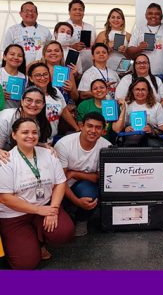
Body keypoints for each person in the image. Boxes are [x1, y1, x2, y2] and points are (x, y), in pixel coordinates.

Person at [0, 118, 74, 269]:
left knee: (64, 232)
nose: (30, 136)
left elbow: (60, 183)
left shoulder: (49, 154)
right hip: (15, 215)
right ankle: (23, 241)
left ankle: (38, 238)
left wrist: (53, 210)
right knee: (26, 264)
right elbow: (4, 198)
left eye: (34, 132)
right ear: (14, 135)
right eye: (25, 132)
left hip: (45, 206)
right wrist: (39, 210)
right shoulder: (6, 160)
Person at [54, 112, 110, 237]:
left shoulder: (106, 146)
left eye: (98, 127)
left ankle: (82, 220)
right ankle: (68, 210)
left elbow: (101, 178)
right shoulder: (64, 145)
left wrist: (74, 173)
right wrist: (76, 201)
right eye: (89, 126)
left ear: (103, 131)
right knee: (60, 229)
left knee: (91, 194)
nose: (93, 130)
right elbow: (59, 181)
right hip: (60, 186)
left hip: (82, 184)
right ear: (81, 126)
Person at [27, 62, 79, 141]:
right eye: (38, 75)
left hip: (53, 137)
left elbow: (64, 111)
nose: (42, 78)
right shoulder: (29, 96)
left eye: (45, 74)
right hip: (36, 140)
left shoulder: (55, 91)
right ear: (31, 78)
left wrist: (77, 129)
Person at [113, 77, 163, 147]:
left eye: (143, 89)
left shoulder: (157, 106)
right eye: (137, 89)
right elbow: (119, 128)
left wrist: (152, 130)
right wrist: (126, 129)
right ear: (132, 91)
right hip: (131, 142)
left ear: (148, 91)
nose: (140, 92)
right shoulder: (126, 106)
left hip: (151, 142)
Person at [0, 86, 52, 159]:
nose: (33, 104)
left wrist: (42, 146)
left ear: (43, 105)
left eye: (38, 102)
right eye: (29, 100)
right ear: (22, 101)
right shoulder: (6, 117)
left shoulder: (42, 121)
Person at [1, 1, 52, 66]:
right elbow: (6, 52)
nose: (30, 13)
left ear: (37, 14)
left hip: (40, 69)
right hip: (18, 69)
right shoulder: (12, 30)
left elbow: (50, 50)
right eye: (27, 11)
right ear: (20, 13)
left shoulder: (45, 30)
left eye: (33, 11)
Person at [127, 3, 163, 78]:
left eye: (157, 14)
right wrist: (139, 48)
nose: (153, 16)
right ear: (146, 15)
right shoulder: (139, 29)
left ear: (161, 16)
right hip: (142, 73)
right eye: (150, 13)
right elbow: (129, 51)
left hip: (162, 73)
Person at [67, 0, 96, 73]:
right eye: (75, 9)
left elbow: (94, 46)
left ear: (83, 12)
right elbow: (56, 45)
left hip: (89, 66)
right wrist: (72, 46)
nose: (78, 12)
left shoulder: (90, 27)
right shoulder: (64, 26)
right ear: (69, 12)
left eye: (80, 9)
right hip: (71, 66)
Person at [0, 44, 26, 109]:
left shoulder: (25, 78)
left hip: (16, 115)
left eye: (20, 55)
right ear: (4, 57)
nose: (16, 57)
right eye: (12, 54)